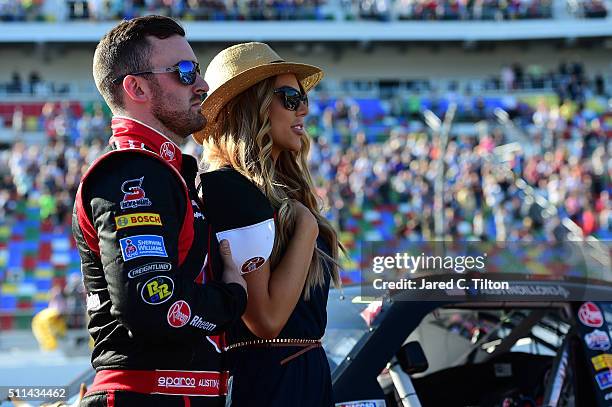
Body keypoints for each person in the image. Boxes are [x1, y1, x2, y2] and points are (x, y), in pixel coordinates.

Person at [72, 16, 248, 406]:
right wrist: (232, 297)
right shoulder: (132, 173)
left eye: (197, 71)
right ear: (135, 87)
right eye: (184, 72)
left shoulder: (164, 171)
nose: (201, 85)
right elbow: (155, 304)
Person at [193, 42, 342, 406]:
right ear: (252, 105)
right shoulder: (227, 187)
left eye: (302, 96)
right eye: (290, 97)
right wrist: (306, 228)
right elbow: (266, 319)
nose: (303, 108)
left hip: (299, 373)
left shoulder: (278, 192)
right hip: (269, 381)